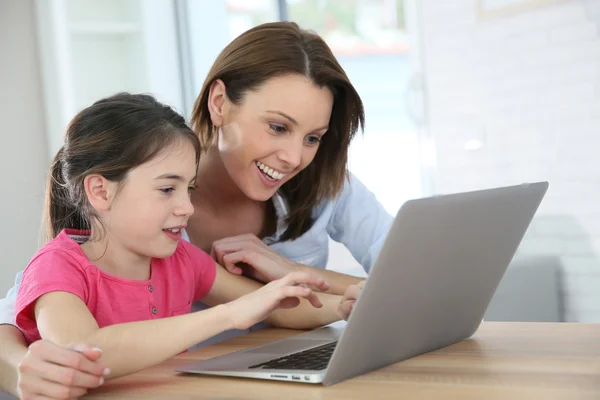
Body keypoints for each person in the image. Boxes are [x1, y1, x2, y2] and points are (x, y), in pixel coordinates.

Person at [0, 21, 392, 398]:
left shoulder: (179, 256)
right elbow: (78, 345)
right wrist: (230, 314)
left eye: (313, 138)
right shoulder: (68, 261)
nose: (293, 157)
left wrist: (338, 303)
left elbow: (275, 309)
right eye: (277, 127)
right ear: (219, 103)